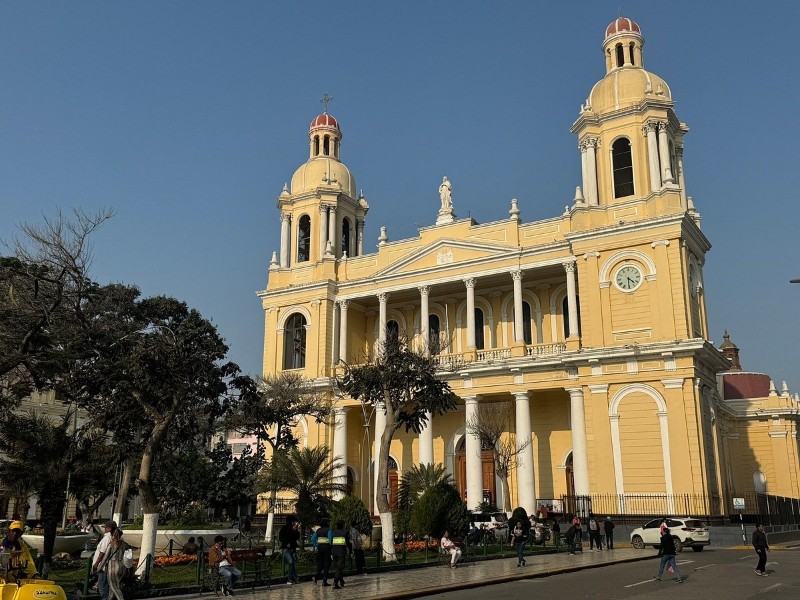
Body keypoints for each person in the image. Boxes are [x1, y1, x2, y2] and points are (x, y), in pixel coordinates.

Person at [92, 520, 118, 600]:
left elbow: (102, 553)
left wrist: (96, 564)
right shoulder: (112, 538)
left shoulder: (107, 538)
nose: (104, 529)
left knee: (103, 587)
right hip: (106, 565)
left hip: (103, 566)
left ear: (109, 528)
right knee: (104, 585)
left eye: (106, 528)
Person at [102, 528, 130, 600]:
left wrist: (98, 568)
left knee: (115, 587)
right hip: (122, 566)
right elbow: (128, 555)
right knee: (112, 589)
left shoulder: (111, 544)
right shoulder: (124, 544)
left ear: (113, 534)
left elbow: (105, 557)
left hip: (113, 567)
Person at [278, 515, 300, 585]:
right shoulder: (284, 528)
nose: (294, 523)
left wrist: (296, 530)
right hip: (286, 549)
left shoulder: (294, 529)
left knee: (293, 564)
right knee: (290, 562)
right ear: (291, 521)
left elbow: (296, 537)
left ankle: (294, 578)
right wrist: (286, 543)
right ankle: (290, 578)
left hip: (292, 548)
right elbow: (280, 537)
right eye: (294, 521)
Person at [330, 520, 351, 589]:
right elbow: (348, 543)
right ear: (343, 526)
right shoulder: (345, 532)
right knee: (340, 567)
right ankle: (335, 582)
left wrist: (331, 552)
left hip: (334, 552)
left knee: (338, 568)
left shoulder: (334, 532)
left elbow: (331, 542)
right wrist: (350, 551)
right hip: (341, 552)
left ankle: (341, 581)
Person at [310, 519, 332, 586]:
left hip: (320, 549)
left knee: (320, 564)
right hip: (327, 549)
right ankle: (324, 581)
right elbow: (331, 540)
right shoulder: (329, 530)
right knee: (327, 565)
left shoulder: (318, 531)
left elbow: (312, 539)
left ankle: (316, 576)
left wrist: (317, 545)